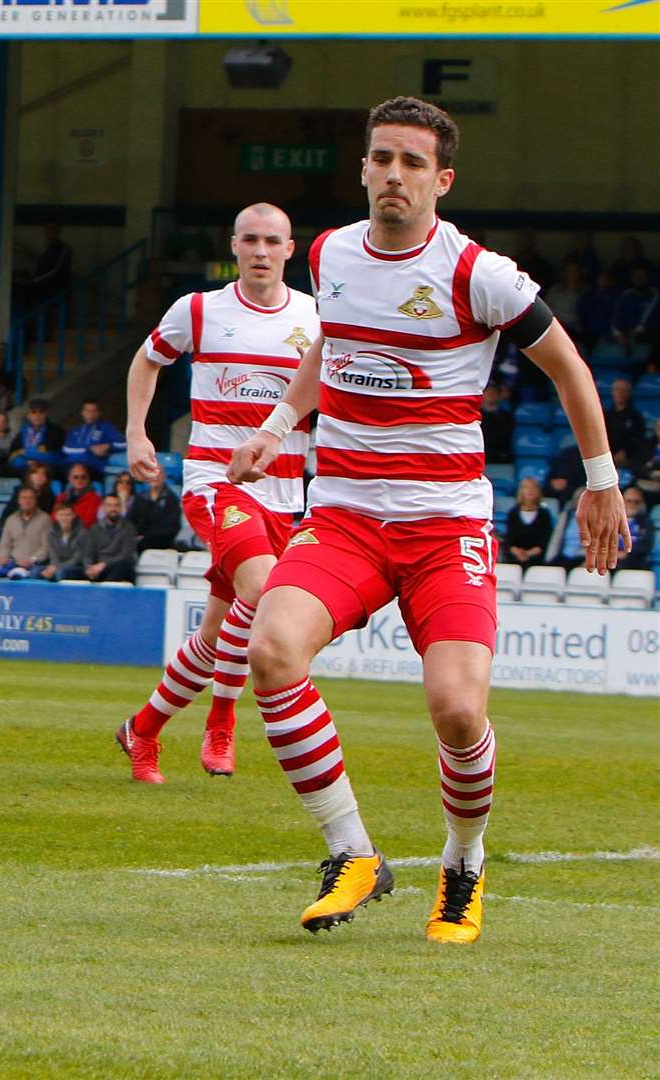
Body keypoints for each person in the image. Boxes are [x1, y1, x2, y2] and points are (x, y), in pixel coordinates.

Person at [229, 97, 627, 945]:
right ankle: (353, 854)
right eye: (382, 159)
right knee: (270, 650)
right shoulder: (332, 253)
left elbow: (568, 368)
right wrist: (274, 426)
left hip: (443, 528)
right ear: (363, 169)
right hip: (341, 515)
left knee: (454, 709)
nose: (394, 177)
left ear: (440, 180)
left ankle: (462, 866)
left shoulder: (478, 274)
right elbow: (327, 346)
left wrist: (599, 482)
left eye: (412, 164)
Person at [115, 202, 319, 782]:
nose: (259, 251)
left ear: (289, 249)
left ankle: (143, 730)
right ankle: (223, 721)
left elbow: (330, 395)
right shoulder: (199, 311)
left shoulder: (315, 318)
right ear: (233, 246)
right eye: (249, 240)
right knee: (260, 589)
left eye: (270, 241)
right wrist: (137, 433)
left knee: (217, 628)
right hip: (215, 482)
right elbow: (146, 361)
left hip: (285, 495)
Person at [0, 485, 52, 579]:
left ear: (36, 500)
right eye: (24, 498)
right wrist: (2, 557)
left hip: (34, 564)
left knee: (18, 575)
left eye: (31, 498)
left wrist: (32, 560)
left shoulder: (45, 519)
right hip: (12, 562)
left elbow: (47, 547)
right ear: (19, 500)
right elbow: (5, 543)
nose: (27, 501)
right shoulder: (11, 519)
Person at [81, 493, 137, 582]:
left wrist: (104, 564)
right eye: (109, 505)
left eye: (116, 505)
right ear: (103, 507)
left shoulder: (129, 528)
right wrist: (89, 568)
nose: (113, 509)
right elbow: (88, 554)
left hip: (120, 568)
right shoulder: (95, 528)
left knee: (121, 566)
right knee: (70, 573)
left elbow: (126, 555)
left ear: (121, 507)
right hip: (98, 568)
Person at [500, 476, 553, 569]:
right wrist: (517, 552)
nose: (530, 490)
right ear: (521, 491)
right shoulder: (513, 513)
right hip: (514, 557)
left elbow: (545, 540)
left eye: (534, 487)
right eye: (527, 488)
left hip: (537, 558)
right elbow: (509, 539)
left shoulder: (544, 514)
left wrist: (528, 553)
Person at [61, 399, 123, 477]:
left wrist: (109, 445)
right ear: (82, 412)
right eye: (88, 411)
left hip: (93, 467)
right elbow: (66, 449)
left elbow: (124, 444)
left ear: (99, 413)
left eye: (94, 411)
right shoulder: (75, 430)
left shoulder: (106, 427)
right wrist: (89, 448)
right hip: (71, 466)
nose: (91, 414)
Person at [128, 462, 182, 551]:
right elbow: (130, 521)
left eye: (158, 473)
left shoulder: (172, 500)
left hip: (160, 545)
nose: (155, 477)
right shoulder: (140, 498)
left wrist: (145, 537)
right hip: (136, 543)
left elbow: (170, 528)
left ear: (164, 477)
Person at [40, 502, 88, 581]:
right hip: (58, 566)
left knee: (59, 572)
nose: (64, 518)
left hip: (77, 568)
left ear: (73, 516)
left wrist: (56, 567)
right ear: (56, 516)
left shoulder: (82, 533)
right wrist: (53, 567)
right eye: (61, 515)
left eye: (68, 515)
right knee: (36, 572)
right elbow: (53, 555)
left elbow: (77, 559)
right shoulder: (52, 533)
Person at [619, 485, 652, 570]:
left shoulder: (646, 523)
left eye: (636, 502)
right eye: (629, 501)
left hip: (632, 562)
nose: (632, 504)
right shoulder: (609, 520)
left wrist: (624, 554)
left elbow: (644, 546)